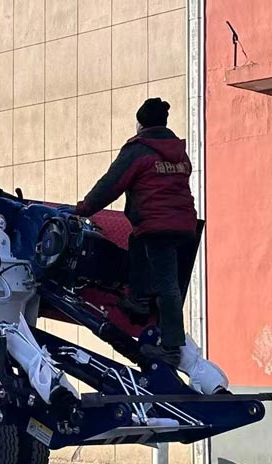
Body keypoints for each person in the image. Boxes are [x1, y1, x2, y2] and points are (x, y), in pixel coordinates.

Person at [73, 98, 197, 366]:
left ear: (140, 124)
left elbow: (112, 183)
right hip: (180, 222)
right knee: (138, 246)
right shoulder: (178, 151)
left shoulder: (139, 150)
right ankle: (139, 299)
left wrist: (84, 209)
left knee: (167, 283)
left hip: (158, 224)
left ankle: (172, 347)